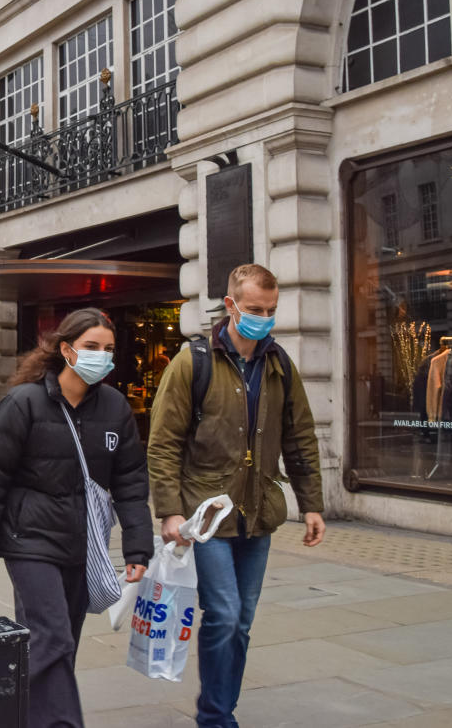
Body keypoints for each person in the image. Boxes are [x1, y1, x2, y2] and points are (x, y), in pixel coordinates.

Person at [147, 264, 325, 728]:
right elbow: (163, 441)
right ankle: (216, 716)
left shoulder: (279, 365)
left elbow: (300, 437)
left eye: (270, 310)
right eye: (253, 309)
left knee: (241, 621)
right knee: (223, 614)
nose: (263, 318)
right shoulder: (194, 362)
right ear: (230, 305)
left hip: (258, 513)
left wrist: (311, 504)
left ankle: (221, 705)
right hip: (206, 515)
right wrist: (168, 510)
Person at [0, 308, 152, 728]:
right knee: (52, 637)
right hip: (29, 541)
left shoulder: (115, 407)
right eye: (90, 348)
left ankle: (29, 717)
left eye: (108, 350)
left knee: (59, 644)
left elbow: (131, 482)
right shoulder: (24, 403)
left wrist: (138, 545)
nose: (101, 357)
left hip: (83, 545)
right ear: (67, 350)